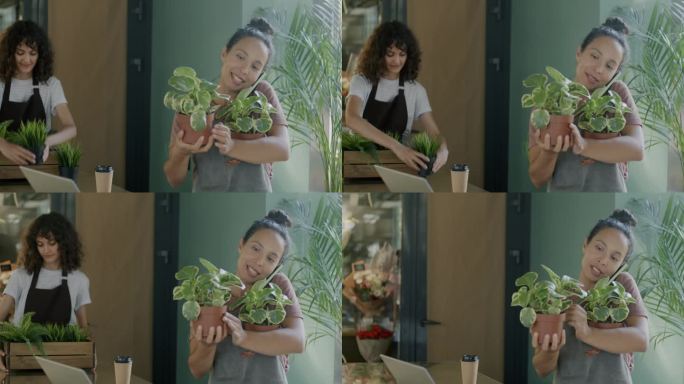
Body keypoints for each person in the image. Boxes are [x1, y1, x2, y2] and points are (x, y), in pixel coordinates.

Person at [164, 18, 289, 192]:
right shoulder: (195, 100)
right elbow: (174, 179)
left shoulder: (261, 93)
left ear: (261, 74)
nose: (245, 69)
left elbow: (283, 149)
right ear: (224, 53)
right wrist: (181, 152)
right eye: (240, 57)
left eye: (255, 66)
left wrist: (232, 146)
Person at [188, 210, 305, 383]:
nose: (260, 261)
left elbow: (298, 341)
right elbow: (197, 370)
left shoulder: (277, 286)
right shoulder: (211, 290)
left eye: (271, 259)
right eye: (255, 248)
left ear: (277, 266)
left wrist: (244, 337)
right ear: (241, 244)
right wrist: (207, 345)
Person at [532, 209, 648, 383]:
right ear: (585, 244)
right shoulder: (558, 297)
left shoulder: (621, 286)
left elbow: (641, 339)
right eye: (599, 248)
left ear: (621, 266)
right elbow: (542, 369)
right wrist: (550, 351)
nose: (603, 260)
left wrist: (587, 332)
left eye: (614, 258)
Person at [528, 17, 644, 192]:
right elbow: (537, 179)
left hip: (609, 188)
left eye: (609, 66)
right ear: (579, 52)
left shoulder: (616, 93)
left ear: (615, 73)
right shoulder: (550, 98)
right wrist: (550, 152)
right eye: (594, 56)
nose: (599, 69)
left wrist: (584, 145)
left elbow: (637, 149)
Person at [345, 21, 448, 173]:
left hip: (399, 167)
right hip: (361, 165)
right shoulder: (362, 81)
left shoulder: (416, 90)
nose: (396, 61)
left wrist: (443, 148)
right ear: (378, 54)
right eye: (390, 54)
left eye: (402, 54)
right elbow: (352, 118)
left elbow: (434, 132)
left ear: (409, 56)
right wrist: (396, 146)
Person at [0, 212, 91, 371]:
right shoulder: (21, 276)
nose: (46, 250)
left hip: (64, 360)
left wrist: (90, 355)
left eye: (51, 243)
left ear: (64, 243)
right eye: (40, 244)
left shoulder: (78, 279)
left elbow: (83, 330)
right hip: (21, 358)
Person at [0, 20, 77, 165]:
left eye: (33, 53)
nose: (26, 59)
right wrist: (3, 145)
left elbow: (71, 128)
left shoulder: (50, 85)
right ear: (10, 54)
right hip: (3, 165)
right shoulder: (1, 84)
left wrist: (46, 141)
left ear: (40, 55)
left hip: (38, 166)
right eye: (20, 53)